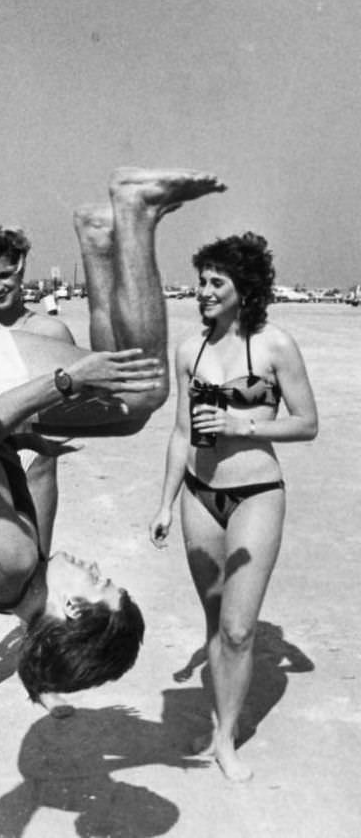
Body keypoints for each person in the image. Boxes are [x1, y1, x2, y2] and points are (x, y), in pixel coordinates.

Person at [0, 167, 226, 718]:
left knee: (144, 385)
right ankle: (98, 241)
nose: (95, 566)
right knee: (129, 419)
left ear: (72, 607)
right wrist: (32, 432)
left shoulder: (14, 558)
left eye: (100, 581)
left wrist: (65, 383)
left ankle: (135, 209)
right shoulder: (20, 585)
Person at [148, 232, 317, 781]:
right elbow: (178, 432)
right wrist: (166, 503)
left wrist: (243, 422)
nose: (203, 291)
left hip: (257, 495)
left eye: (216, 282)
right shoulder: (187, 350)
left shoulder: (274, 345)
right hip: (200, 495)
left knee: (240, 630)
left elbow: (307, 422)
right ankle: (221, 719)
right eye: (201, 281)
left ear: (245, 289)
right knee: (215, 620)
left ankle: (225, 739)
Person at [0, 224, 78, 716]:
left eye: (6, 273)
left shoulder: (51, 332)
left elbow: (78, 398)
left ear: (22, 270)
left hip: (36, 466)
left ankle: (40, 679)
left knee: (36, 571)